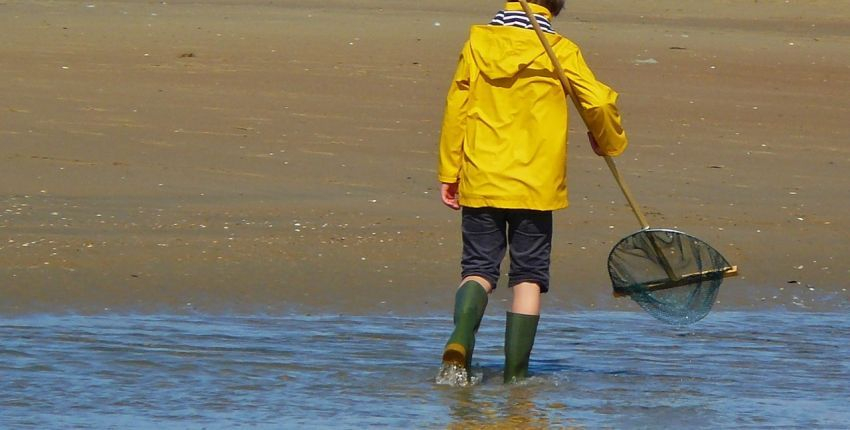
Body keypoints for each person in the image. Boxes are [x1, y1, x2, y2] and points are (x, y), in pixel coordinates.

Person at [437, 0, 628, 384]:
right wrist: (608, 140)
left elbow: (457, 104)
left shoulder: (478, 42)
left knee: (478, 268)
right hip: (536, 184)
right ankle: (516, 378)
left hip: (483, 173)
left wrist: (450, 169)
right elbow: (598, 101)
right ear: (555, 7)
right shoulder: (560, 50)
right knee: (528, 274)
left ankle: (460, 338)